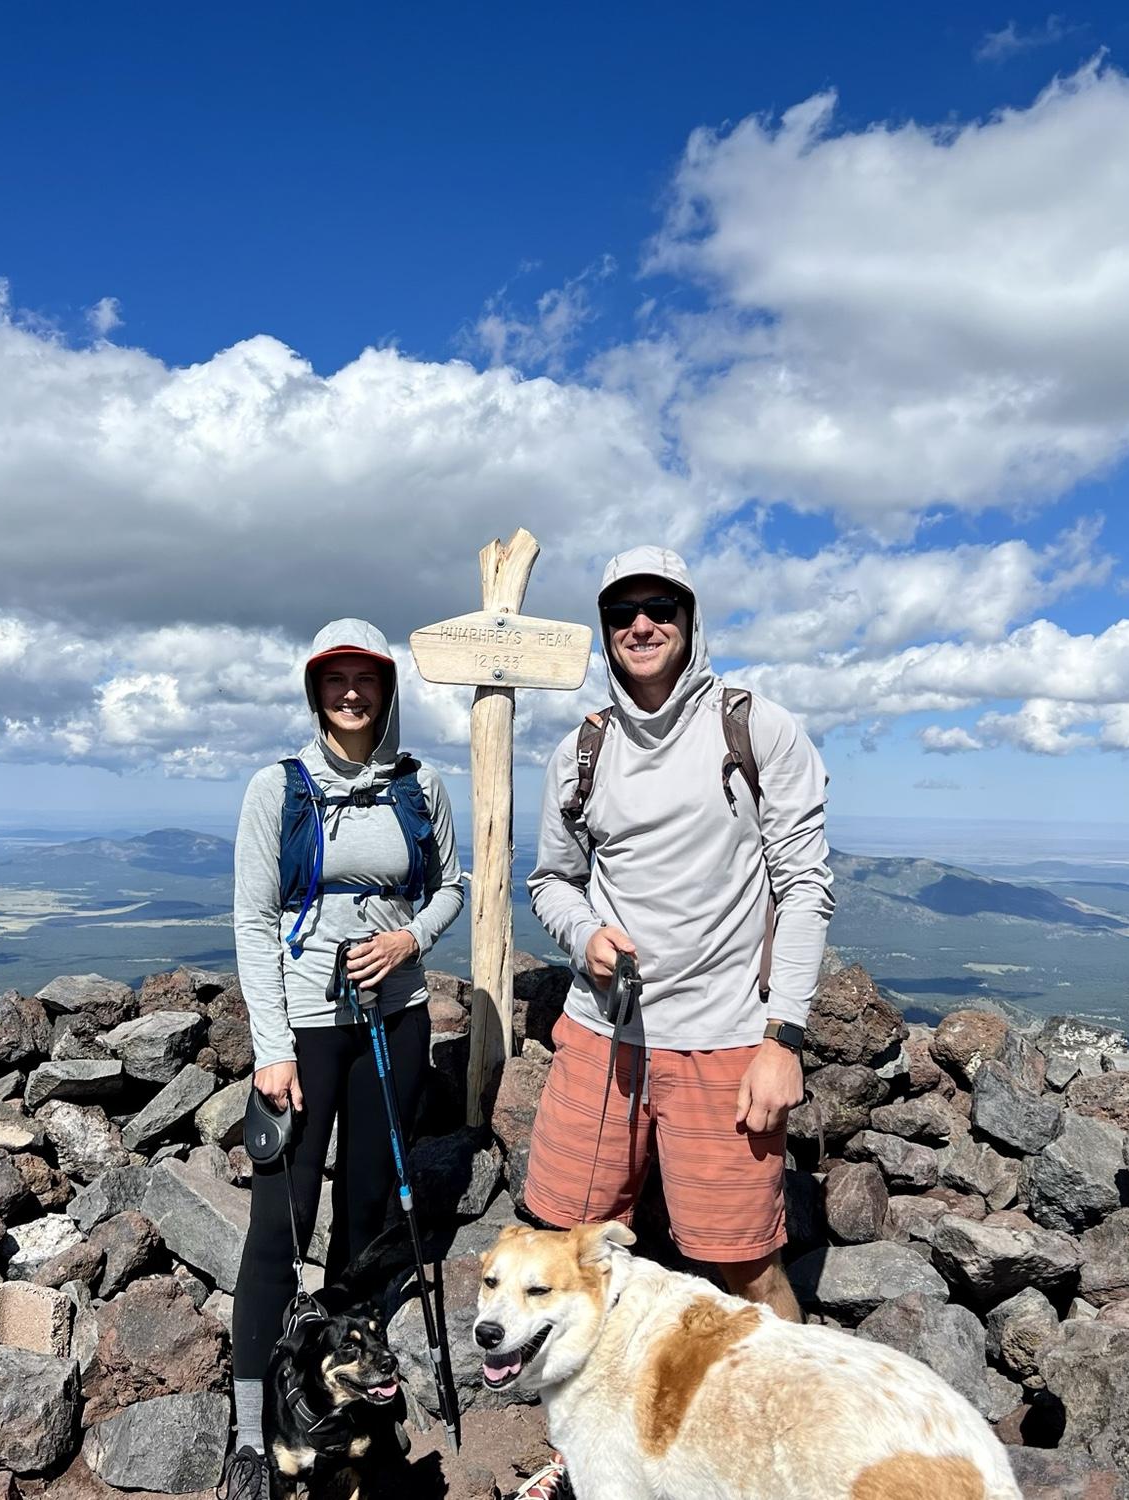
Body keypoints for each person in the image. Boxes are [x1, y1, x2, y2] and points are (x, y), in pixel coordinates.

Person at [515, 546, 834, 1499]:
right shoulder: (582, 750)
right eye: (623, 612)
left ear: (691, 621)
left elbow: (805, 885)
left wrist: (784, 1039)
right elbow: (552, 881)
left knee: (744, 1262)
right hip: (601, 1036)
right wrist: (585, 935)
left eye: (660, 607)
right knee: (570, 1249)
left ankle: (791, 1454)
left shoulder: (753, 727)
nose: (641, 625)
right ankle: (585, 1455)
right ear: (606, 630)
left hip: (724, 1037)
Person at [219, 618, 464, 1500]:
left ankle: (350, 1403)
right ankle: (256, 1434)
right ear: (316, 690)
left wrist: (409, 940)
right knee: (277, 1230)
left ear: (387, 690)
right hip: (305, 1031)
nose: (351, 692)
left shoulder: (419, 785)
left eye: (366, 678)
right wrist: (271, 1049)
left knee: (364, 1225)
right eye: (335, 678)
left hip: (394, 1021)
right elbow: (253, 919)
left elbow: (452, 887)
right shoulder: (277, 789)